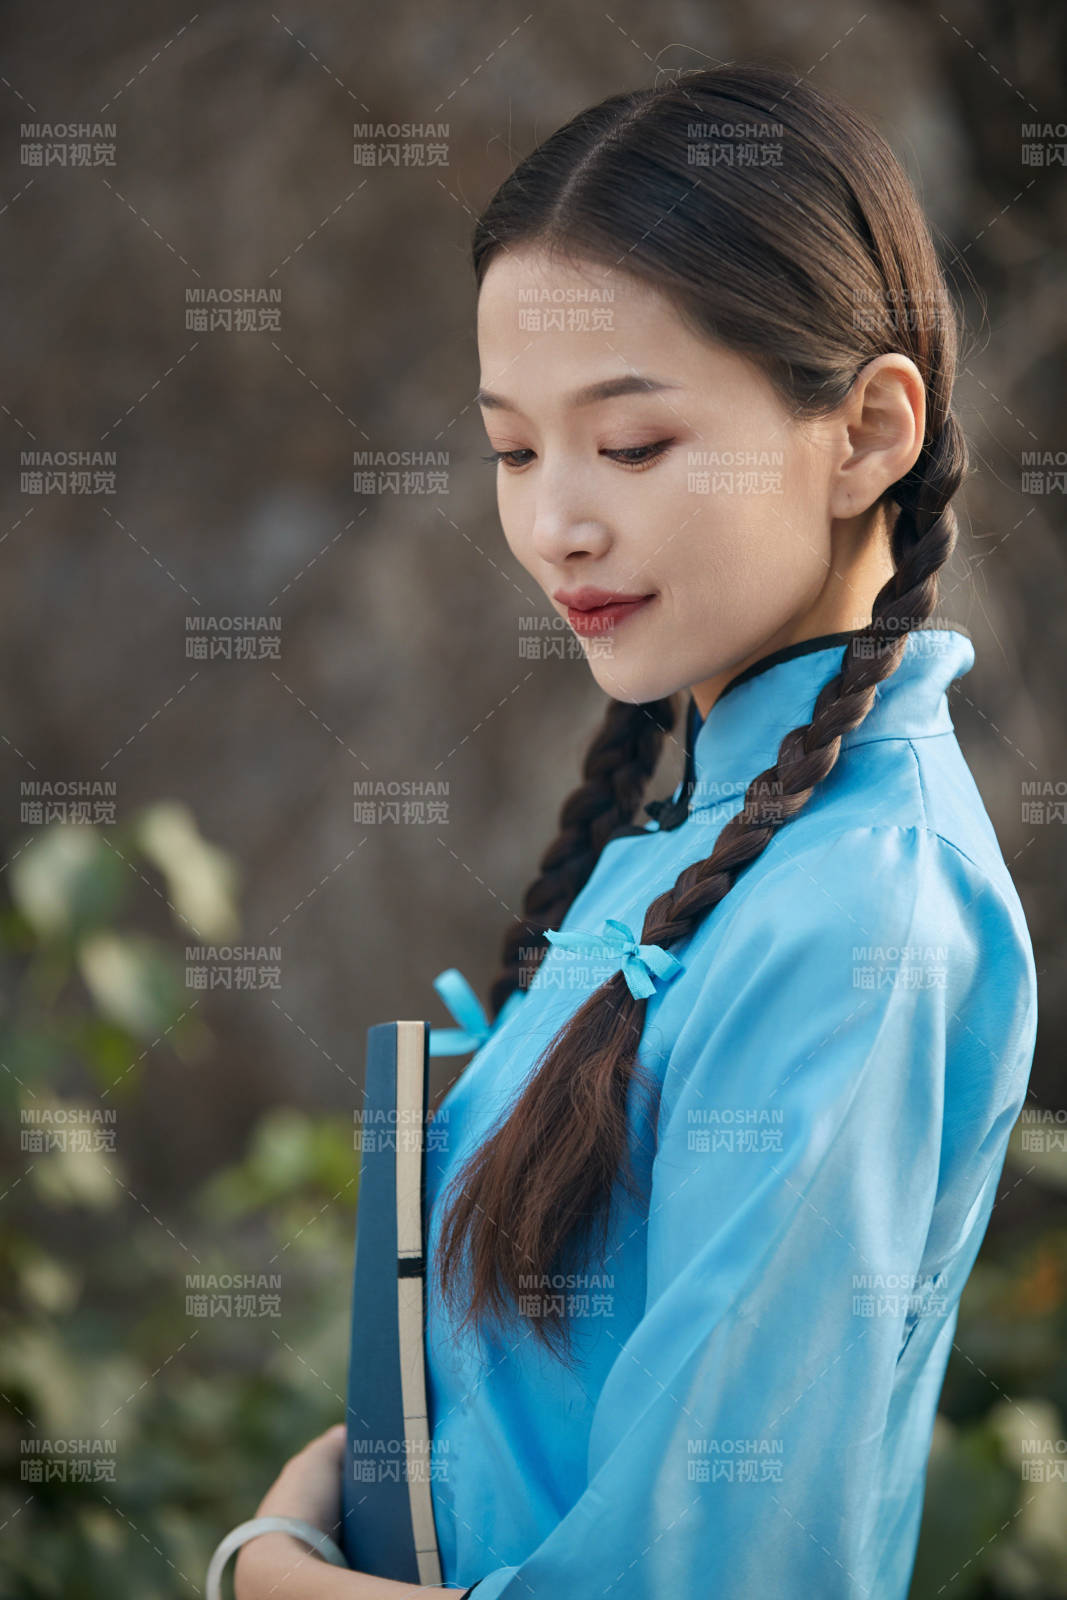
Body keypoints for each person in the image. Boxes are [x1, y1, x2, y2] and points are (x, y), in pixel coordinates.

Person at [232, 63, 1038, 1600]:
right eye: (517, 451)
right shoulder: (703, 835)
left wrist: (271, 1575)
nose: (555, 526)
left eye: (635, 444)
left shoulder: (862, 912)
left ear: (867, 432)